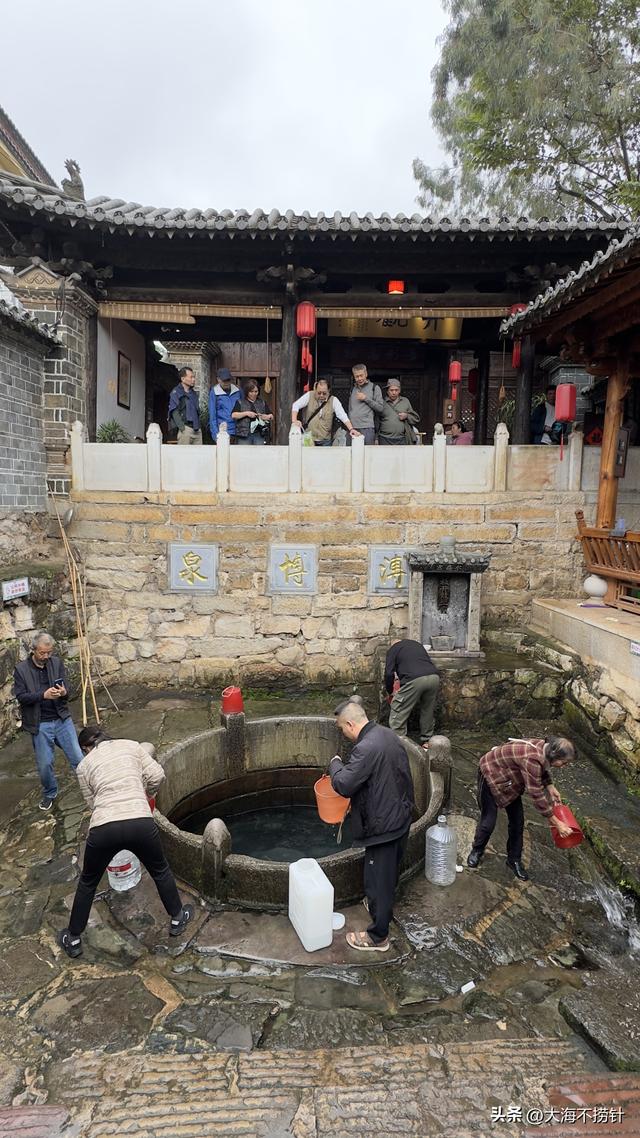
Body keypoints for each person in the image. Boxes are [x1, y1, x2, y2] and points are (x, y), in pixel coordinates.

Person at [57, 725, 194, 958]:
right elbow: (157, 775)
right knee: (160, 870)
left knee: (88, 882)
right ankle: (177, 918)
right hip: (139, 821)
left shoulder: (84, 766)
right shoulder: (132, 746)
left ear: (86, 748)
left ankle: (73, 937)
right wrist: (146, 795)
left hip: (104, 827)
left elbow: (91, 803)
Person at [330, 699, 414, 952]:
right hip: (400, 815)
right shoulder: (388, 735)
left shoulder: (365, 748)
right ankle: (378, 906)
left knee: (379, 880)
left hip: (383, 828)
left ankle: (378, 937)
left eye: (342, 729)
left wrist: (335, 763)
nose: (343, 734)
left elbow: (344, 784)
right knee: (386, 875)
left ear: (350, 724)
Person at [467, 736, 576, 880]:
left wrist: (550, 786)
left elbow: (542, 769)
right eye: (564, 762)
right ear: (554, 754)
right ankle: (477, 851)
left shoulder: (545, 748)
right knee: (488, 822)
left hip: (510, 780)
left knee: (517, 823)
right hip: (490, 773)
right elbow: (536, 794)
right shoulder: (531, 758)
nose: (564, 766)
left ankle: (514, 860)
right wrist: (557, 822)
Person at [13, 631, 83, 811]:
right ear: (33, 650)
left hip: (61, 718)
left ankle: (91, 786)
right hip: (40, 723)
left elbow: (68, 688)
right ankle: (50, 793)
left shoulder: (56, 663)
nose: (46, 656)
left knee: (78, 758)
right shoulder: (21, 669)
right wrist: (42, 695)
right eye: (42, 653)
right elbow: (21, 697)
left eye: (49, 652)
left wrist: (63, 692)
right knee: (45, 765)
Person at [385, 638, 440, 749]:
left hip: (415, 680)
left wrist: (390, 691)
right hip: (434, 677)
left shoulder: (393, 649)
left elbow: (388, 673)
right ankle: (427, 741)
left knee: (398, 708)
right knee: (427, 710)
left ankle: (398, 744)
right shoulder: (416, 645)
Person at [290, 378, 359, 445]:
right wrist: (294, 421)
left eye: (324, 393)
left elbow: (343, 416)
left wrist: (351, 429)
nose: (321, 395)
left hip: (325, 440)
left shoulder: (334, 400)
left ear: (328, 391)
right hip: (309, 437)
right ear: (315, 390)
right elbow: (296, 405)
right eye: (319, 393)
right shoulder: (309, 395)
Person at [347, 363, 384, 446]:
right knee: (351, 454)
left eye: (361, 375)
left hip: (367, 428)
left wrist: (365, 398)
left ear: (366, 374)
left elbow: (380, 408)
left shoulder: (374, 388)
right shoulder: (353, 389)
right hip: (352, 428)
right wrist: (349, 426)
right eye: (357, 376)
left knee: (367, 454)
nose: (359, 378)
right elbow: (350, 409)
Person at [377, 379, 419, 445]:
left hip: (402, 438)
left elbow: (415, 418)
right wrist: (376, 438)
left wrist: (406, 416)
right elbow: (376, 421)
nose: (394, 392)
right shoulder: (381, 402)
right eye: (391, 390)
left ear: (399, 391)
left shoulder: (405, 401)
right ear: (387, 391)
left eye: (396, 390)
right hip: (384, 438)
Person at [232, 380, 274, 445]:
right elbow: (234, 415)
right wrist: (246, 413)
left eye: (256, 391)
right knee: (244, 453)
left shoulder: (262, 402)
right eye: (251, 392)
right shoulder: (240, 402)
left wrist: (266, 416)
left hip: (259, 434)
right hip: (244, 434)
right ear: (247, 392)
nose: (254, 394)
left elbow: (271, 416)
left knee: (259, 453)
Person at [168, 367, 202, 445]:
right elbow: (174, 412)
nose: (193, 379)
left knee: (199, 456)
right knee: (183, 456)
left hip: (197, 429)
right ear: (183, 379)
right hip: (185, 429)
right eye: (191, 377)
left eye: (194, 377)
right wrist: (182, 428)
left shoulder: (193, 393)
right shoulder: (175, 392)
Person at [209, 366, 240, 443]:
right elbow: (212, 415)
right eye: (224, 380)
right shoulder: (214, 392)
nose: (226, 383)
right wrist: (215, 434)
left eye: (228, 380)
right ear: (218, 380)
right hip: (223, 431)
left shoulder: (238, 391)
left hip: (238, 431)